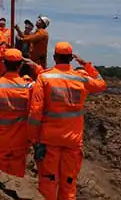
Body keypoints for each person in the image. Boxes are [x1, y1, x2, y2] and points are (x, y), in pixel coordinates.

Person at [28, 42, 107, 200]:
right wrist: (87, 65)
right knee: (69, 182)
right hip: (72, 140)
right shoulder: (82, 77)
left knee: (48, 180)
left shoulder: (44, 78)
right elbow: (101, 84)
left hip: (49, 139)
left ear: (54, 57)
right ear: (71, 58)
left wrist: (33, 138)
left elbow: (36, 111)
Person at [0, 49, 33, 177]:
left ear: (3, 64)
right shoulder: (29, 88)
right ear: (21, 65)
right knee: (17, 180)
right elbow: (35, 114)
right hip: (21, 140)